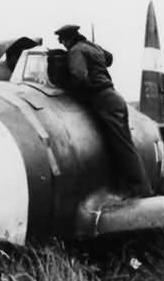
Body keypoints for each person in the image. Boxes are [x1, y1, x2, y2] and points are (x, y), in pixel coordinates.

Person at [55, 24, 153, 197]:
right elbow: (109, 58)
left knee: (123, 145)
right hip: (111, 97)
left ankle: (142, 190)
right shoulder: (92, 47)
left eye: (62, 41)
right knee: (119, 143)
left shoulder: (76, 51)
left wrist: (77, 92)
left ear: (67, 39)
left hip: (104, 99)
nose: (63, 45)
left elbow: (79, 76)